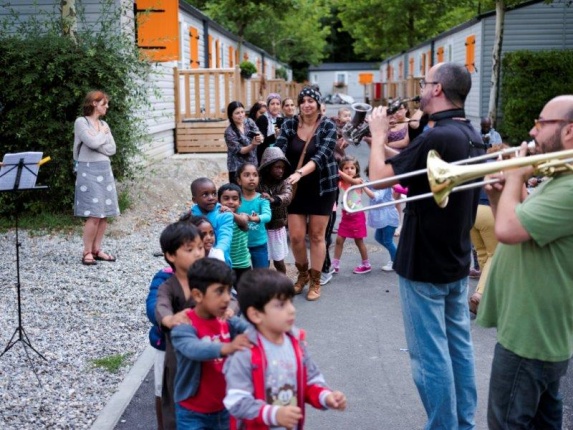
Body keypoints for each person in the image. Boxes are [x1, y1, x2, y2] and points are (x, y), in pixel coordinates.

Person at [368, 62, 485, 429]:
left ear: (437, 90)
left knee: (428, 357)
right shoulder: (470, 134)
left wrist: (376, 135)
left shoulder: (436, 138)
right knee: (458, 350)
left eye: (424, 83)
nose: (420, 89)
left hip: (423, 262)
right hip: (454, 259)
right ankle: (461, 424)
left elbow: (377, 180)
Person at [477, 95, 573, 429]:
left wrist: (515, 174)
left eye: (541, 122)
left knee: (505, 423)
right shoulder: (560, 179)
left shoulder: (570, 186)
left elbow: (507, 229)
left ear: (569, 132)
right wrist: (497, 193)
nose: (532, 130)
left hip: (530, 336)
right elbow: (525, 215)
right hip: (535, 330)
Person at [223, 269, 347, 429]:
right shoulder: (244, 352)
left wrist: (326, 396)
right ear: (255, 315)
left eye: (290, 302)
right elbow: (237, 401)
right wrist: (274, 414)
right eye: (281, 305)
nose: (291, 310)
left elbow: (311, 379)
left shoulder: (296, 343)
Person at [170, 258, 251, 430]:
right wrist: (226, 348)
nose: (227, 298)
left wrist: (280, 335)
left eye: (229, 291)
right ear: (198, 295)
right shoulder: (184, 326)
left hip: (225, 408)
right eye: (219, 291)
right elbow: (194, 349)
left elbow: (253, 332)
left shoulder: (227, 321)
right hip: (192, 413)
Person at [275, 86, 338, 301]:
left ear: (319, 104)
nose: (307, 104)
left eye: (311, 100)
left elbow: (322, 156)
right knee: (296, 237)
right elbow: (279, 147)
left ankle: (316, 280)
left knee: (318, 236)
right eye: (303, 101)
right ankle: (302, 275)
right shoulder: (290, 124)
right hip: (295, 188)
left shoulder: (328, 125)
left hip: (322, 187)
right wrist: (270, 167)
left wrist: (299, 172)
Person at [154, 221, 205, 429]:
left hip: (210, 354)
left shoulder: (209, 279)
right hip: (178, 360)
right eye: (190, 249)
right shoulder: (167, 285)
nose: (198, 253)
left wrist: (231, 309)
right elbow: (161, 305)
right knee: (177, 410)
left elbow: (230, 296)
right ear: (171, 256)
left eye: (200, 247)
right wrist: (168, 319)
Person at [73, 90, 120, 265]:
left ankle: (97, 249)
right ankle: (87, 252)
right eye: (104, 103)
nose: (107, 106)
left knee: (104, 214)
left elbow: (111, 149)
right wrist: (100, 137)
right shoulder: (81, 122)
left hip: (104, 169)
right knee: (93, 213)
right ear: (94, 103)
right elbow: (92, 143)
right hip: (88, 170)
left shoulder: (104, 123)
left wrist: (96, 140)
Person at [332, 155, 374, 274]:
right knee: (339, 240)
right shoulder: (340, 181)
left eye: (352, 168)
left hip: (357, 216)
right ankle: (335, 264)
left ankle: (366, 264)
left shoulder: (358, 181)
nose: (349, 170)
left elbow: (351, 180)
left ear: (356, 170)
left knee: (358, 241)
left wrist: (337, 169)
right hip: (346, 216)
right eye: (346, 168)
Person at [258, 146, 293, 274]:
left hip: (277, 227)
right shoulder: (259, 182)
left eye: (282, 168)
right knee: (263, 260)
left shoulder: (285, 182)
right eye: (277, 167)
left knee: (279, 261)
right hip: (262, 227)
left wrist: (274, 199)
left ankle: (282, 282)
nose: (281, 171)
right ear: (268, 167)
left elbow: (287, 196)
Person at [189, 177, 234, 266]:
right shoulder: (191, 216)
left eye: (214, 194)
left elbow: (225, 235)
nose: (211, 198)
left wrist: (218, 252)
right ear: (195, 200)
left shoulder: (224, 214)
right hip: (197, 262)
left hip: (220, 262)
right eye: (205, 195)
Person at [236, 163, 271, 269]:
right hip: (239, 245)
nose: (251, 178)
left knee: (262, 275)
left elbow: (267, 216)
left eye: (255, 175)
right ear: (239, 180)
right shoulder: (235, 199)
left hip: (259, 244)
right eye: (247, 175)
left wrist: (251, 218)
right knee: (241, 276)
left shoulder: (262, 199)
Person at [364, 166, 400, 272]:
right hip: (383, 217)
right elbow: (368, 184)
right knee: (379, 237)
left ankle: (396, 261)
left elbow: (376, 196)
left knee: (388, 241)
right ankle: (397, 255)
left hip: (389, 217)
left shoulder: (384, 185)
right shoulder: (374, 183)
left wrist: (364, 187)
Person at [217, 183, 251, 287]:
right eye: (226, 198)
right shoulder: (218, 218)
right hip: (224, 263)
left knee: (244, 292)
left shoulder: (243, 216)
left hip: (242, 264)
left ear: (240, 202)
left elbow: (244, 223)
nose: (230, 202)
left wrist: (230, 214)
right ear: (219, 201)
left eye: (234, 199)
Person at [224, 101, 263, 184]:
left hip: (252, 165)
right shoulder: (229, 132)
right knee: (238, 193)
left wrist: (260, 138)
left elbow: (258, 133)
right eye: (237, 113)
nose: (241, 115)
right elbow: (240, 150)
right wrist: (252, 145)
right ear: (231, 115)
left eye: (242, 112)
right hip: (237, 168)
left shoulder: (249, 122)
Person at [255, 93, 283, 163]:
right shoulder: (263, 119)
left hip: (279, 154)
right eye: (272, 104)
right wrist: (274, 136)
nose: (275, 106)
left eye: (277, 104)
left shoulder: (281, 118)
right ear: (268, 106)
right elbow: (261, 141)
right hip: (265, 154)